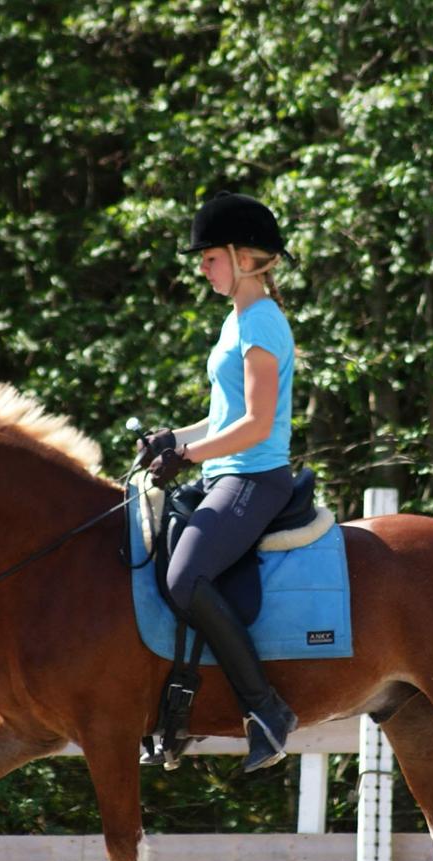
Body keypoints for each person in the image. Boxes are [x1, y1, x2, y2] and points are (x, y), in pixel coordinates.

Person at [139, 191, 299, 772]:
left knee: (186, 578)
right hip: (226, 473)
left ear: (241, 256)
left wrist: (189, 454)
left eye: (209, 257)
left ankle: (266, 710)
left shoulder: (261, 322)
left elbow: (256, 426)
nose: (201, 267)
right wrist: (173, 439)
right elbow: (226, 416)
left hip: (255, 478)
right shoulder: (237, 320)